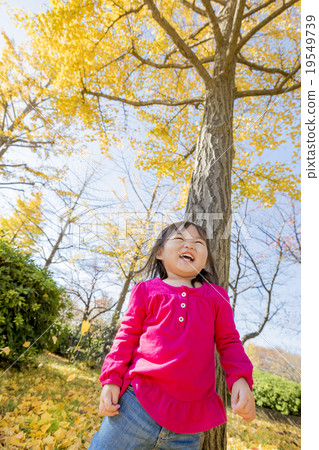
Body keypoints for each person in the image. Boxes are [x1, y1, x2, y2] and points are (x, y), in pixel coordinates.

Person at [89, 221, 255, 449]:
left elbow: (229, 342)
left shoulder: (217, 296)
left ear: (205, 260)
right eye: (179, 240)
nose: (190, 245)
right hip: (135, 405)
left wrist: (240, 379)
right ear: (159, 252)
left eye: (198, 243)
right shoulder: (146, 290)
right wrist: (111, 380)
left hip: (190, 422)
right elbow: (126, 336)